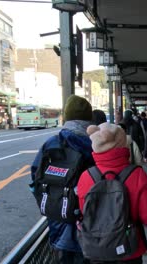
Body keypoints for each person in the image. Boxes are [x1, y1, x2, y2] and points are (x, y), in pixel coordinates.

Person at [77, 122, 147, 264]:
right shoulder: (137, 174)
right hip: (129, 248)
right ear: (121, 142)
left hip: (96, 248)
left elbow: (85, 213)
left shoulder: (86, 176)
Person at [30, 95, 94, 264]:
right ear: (89, 118)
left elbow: (35, 180)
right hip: (91, 228)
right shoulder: (96, 145)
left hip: (58, 222)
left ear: (66, 117)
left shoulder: (51, 143)